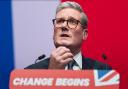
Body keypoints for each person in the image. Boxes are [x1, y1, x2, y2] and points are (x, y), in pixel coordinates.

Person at [25, 1, 111, 70]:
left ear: (84, 34)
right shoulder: (31, 72)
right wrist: (52, 73)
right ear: (54, 32)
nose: (63, 26)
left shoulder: (103, 71)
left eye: (72, 22)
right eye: (60, 21)